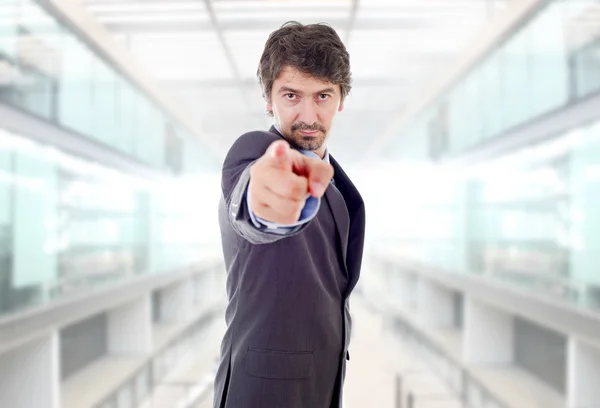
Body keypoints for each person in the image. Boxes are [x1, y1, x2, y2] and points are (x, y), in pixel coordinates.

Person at [214, 21, 366, 408]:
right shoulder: (256, 154)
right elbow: (254, 205)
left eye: (323, 96)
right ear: (269, 99)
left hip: (318, 388)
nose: (309, 115)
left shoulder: (333, 179)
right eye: (292, 95)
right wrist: (266, 207)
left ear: (341, 100)